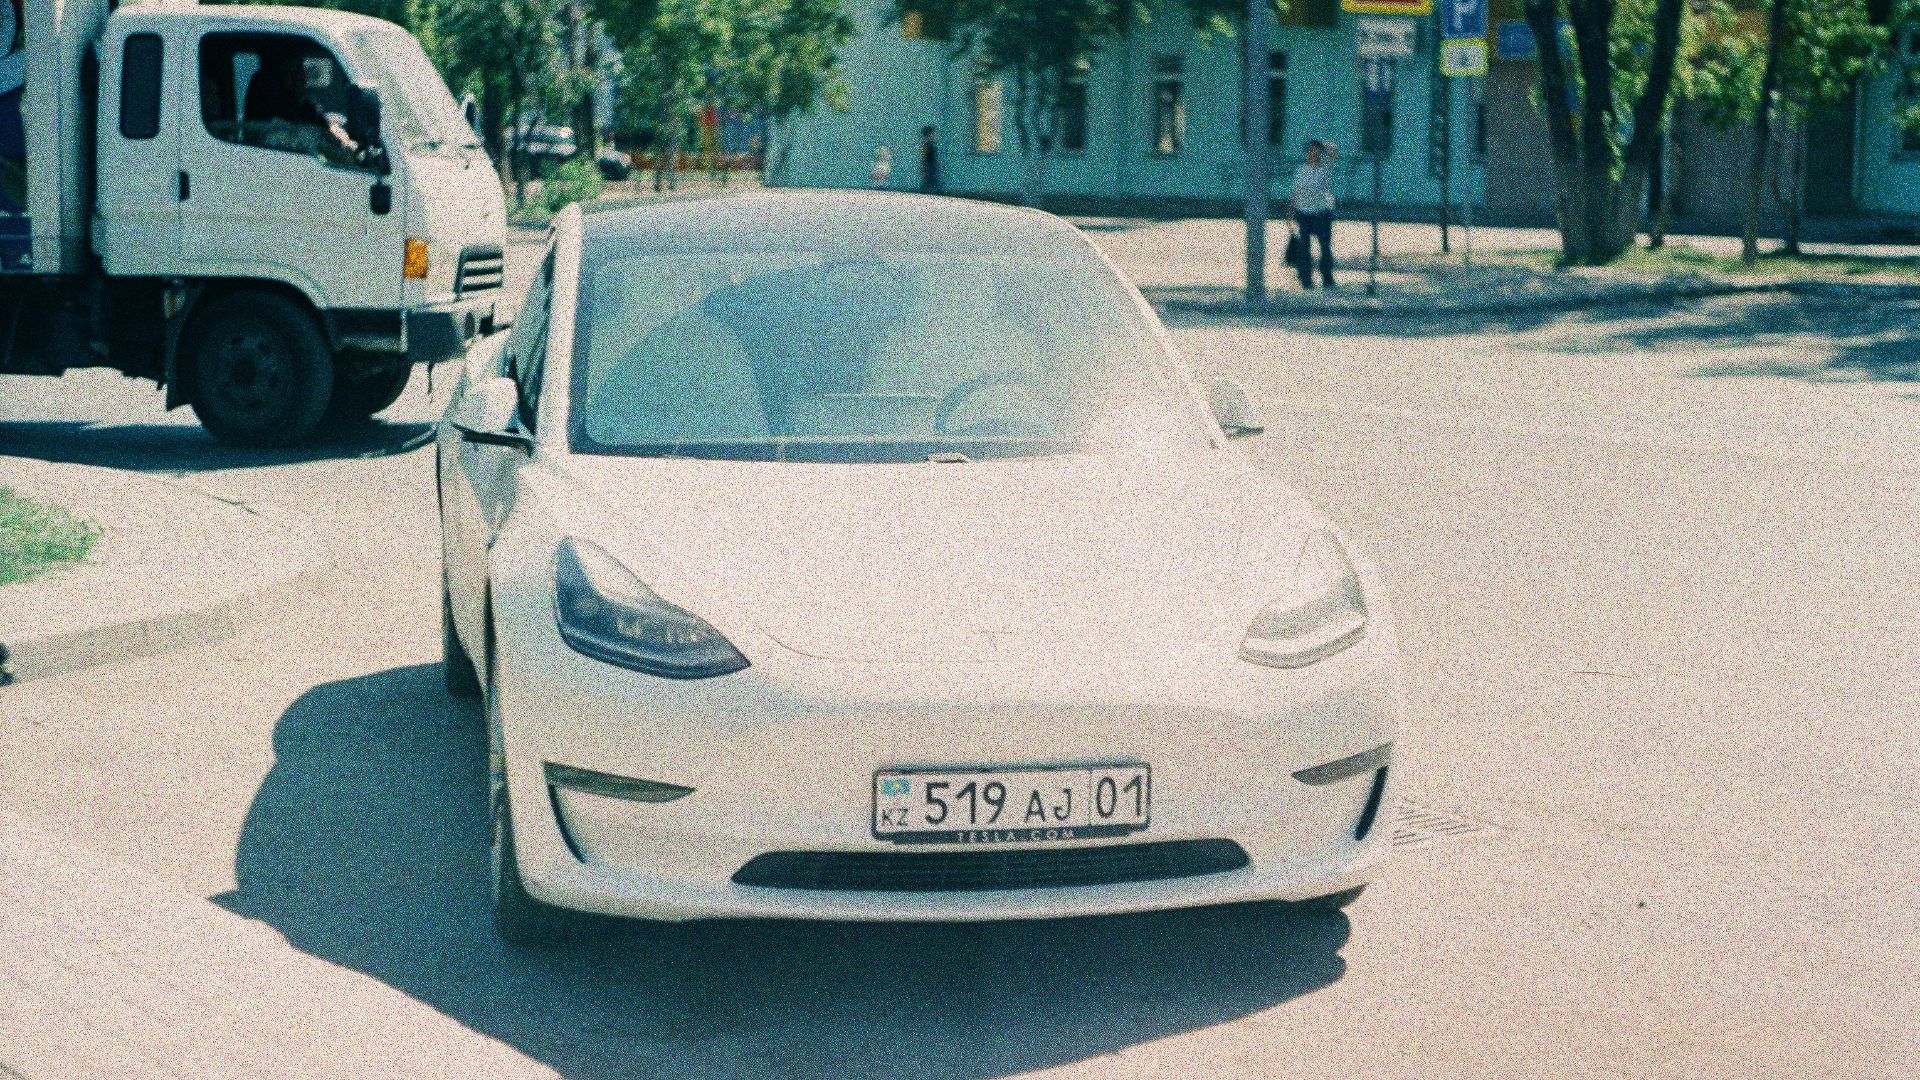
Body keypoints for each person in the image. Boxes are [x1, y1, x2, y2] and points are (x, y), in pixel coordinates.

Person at [1288, 139, 1337, 290]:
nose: (1313, 154)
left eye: (1316, 151)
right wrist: (1291, 210)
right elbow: (1296, 191)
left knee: (1325, 247)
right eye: (1310, 150)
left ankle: (1327, 279)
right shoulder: (1301, 170)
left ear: (1321, 153)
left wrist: (1323, 144)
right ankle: (1306, 279)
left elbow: (1333, 150)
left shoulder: (1325, 168)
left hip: (1322, 212)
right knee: (1304, 248)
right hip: (1303, 213)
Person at [919, 126, 941, 194]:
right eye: (932, 133)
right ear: (928, 134)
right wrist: (923, 165)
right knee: (929, 180)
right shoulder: (927, 144)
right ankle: (925, 192)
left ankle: (926, 192)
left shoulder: (929, 143)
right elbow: (924, 155)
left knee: (930, 180)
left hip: (931, 165)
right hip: (929, 165)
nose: (934, 135)